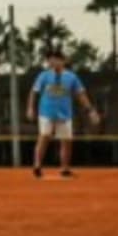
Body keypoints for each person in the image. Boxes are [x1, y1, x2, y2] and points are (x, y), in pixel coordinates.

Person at [28, 50, 100, 179]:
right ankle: (37, 166)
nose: (53, 62)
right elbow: (34, 92)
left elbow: (80, 94)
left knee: (66, 141)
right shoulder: (44, 76)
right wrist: (30, 108)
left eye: (56, 59)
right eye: (50, 59)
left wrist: (90, 110)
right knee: (44, 136)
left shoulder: (71, 77)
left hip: (64, 114)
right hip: (46, 112)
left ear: (63, 61)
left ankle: (65, 169)